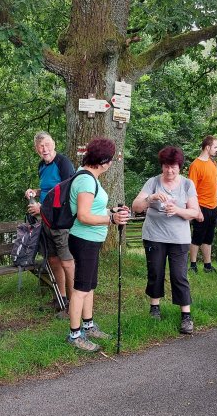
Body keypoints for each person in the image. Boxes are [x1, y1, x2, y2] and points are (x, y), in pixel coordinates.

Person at [66, 137, 130, 352]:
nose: (111, 163)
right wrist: (111, 220)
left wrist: (113, 211)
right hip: (84, 239)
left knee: (89, 286)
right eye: (110, 160)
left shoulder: (91, 177)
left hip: (91, 240)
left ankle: (89, 325)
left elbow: (93, 210)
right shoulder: (85, 181)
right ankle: (75, 335)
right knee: (81, 289)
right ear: (103, 161)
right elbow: (83, 216)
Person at [131, 146, 200, 334]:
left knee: (179, 275)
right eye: (166, 166)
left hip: (179, 238)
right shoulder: (153, 182)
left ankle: (186, 315)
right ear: (162, 166)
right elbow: (136, 206)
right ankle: (155, 307)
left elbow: (195, 212)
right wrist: (150, 198)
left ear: (180, 167)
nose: (170, 171)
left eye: (174, 167)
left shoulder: (187, 184)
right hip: (154, 235)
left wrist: (177, 210)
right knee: (155, 272)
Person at [25, 132, 76, 310]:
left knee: (67, 261)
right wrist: (35, 192)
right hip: (45, 221)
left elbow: (69, 191)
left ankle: (74, 303)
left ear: (53, 144)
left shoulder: (64, 163)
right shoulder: (41, 166)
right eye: (40, 146)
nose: (44, 149)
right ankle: (60, 299)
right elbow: (49, 189)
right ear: (36, 149)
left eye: (47, 144)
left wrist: (42, 208)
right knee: (53, 259)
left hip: (61, 221)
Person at [187, 135, 217, 274]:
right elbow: (191, 190)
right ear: (207, 147)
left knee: (209, 237)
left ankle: (207, 266)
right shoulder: (195, 165)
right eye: (215, 147)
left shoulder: (212, 163)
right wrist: (196, 210)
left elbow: (216, 182)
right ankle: (192, 265)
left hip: (213, 206)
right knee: (198, 236)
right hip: (201, 206)